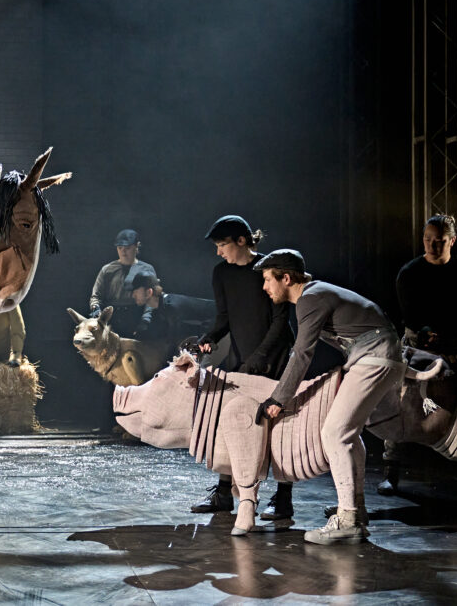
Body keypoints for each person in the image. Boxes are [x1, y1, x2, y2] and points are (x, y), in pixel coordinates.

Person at [255, 249, 404, 545]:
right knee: (348, 433)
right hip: (378, 355)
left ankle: (347, 520)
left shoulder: (310, 297)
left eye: (268, 280)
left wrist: (278, 399)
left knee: (335, 433)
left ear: (286, 278)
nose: (264, 287)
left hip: (375, 357)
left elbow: (302, 354)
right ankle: (356, 512)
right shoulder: (317, 293)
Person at [192, 216, 295, 520]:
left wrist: (261, 357)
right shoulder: (221, 273)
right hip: (242, 358)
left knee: (278, 428)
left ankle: (284, 498)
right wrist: (210, 338)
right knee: (229, 424)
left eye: (222, 244)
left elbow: (281, 321)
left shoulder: (268, 268)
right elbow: (224, 318)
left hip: (273, 357)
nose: (218, 251)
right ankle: (224, 493)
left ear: (241, 240)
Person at [382, 214, 457, 493]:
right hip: (416, 342)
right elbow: (408, 311)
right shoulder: (410, 272)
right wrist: (424, 332)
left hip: (453, 342)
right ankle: (391, 470)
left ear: (452, 241)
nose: (433, 246)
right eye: (428, 240)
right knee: (399, 398)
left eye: (440, 242)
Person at [89, 229, 157, 335]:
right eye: (120, 248)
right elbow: (96, 296)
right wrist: (96, 309)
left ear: (137, 246)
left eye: (128, 248)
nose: (123, 252)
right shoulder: (107, 270)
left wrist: (145, 320)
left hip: (136, 317)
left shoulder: (147, 269)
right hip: (111, 318)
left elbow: (152, 298)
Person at [130, 274, 214, 348]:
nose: (133, 295)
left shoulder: (171, 307)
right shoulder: (162, 308)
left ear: (149, 292)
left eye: (136, 292)